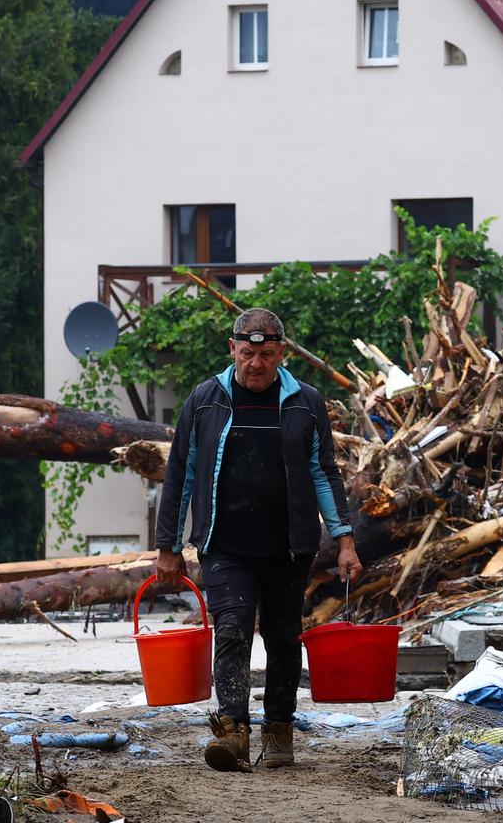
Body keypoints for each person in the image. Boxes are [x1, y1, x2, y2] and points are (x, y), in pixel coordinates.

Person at [155, 308, 363, 773]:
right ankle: (232, 733)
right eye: (248, 353)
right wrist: (167, 545)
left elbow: (323, 471)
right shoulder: (206, 400)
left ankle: (279, 731)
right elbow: (180, 475)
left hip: (290, 546)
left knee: (284, 636)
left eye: (266, 355)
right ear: (232, 349)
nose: (256, 364)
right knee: (231, 627)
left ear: (281, 354)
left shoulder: (306, 402)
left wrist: (344, 539)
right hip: (223, 543)